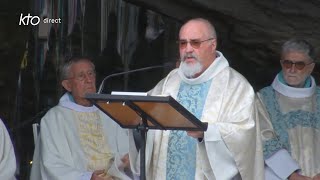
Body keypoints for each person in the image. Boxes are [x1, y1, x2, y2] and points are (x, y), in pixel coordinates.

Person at [128, 18, 264, 180]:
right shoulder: (171, 81)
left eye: (195, 43)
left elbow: (245, 134)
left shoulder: (235, 86)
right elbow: (144, 111)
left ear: (212, 45)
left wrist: (207, 132)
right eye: (183, 44)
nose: (188, 49)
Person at [30, 57, 131, 180]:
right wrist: (87, 177)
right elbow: (52, 164)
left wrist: (129, 160)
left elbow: (127, 153)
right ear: (67, 85)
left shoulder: (109, 112)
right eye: (81, 76)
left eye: (90, 74)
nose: (89, 80)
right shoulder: (54, 118)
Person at [256, 38, 320, 180]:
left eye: (299, 65)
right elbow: (264, 139)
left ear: (311, 67)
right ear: (281, 64)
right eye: (287, 63)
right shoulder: (263, 98)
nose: (292, 69)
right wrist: (291, 174)